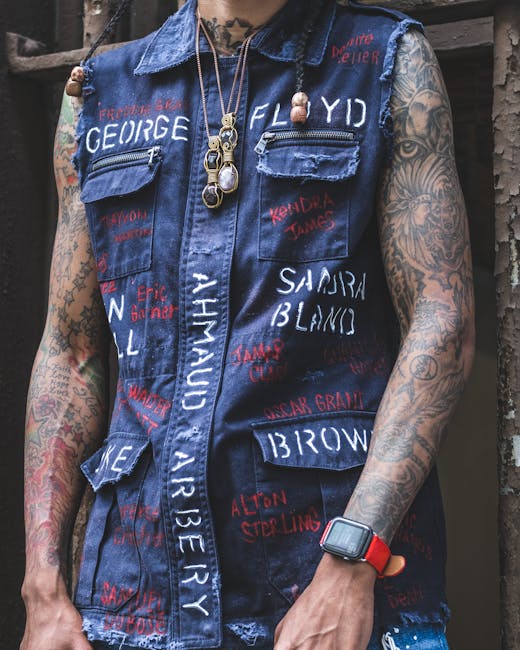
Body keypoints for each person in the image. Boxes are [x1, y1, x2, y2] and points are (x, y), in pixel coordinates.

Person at [20, 0, 475, 648]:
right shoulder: (101, 94)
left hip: (339, 600)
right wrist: (43, 591)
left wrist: (353, 559)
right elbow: (71, 352)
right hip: (134, 602)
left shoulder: (383, 59)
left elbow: (442, 318)